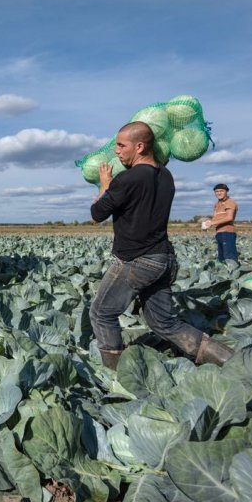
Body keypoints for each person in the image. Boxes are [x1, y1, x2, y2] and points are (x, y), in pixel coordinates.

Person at [89, 121, 233, 370]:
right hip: (163, 258)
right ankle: (232, 361)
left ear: (140, 146)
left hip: (137, 260)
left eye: (121, 145)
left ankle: (115, 376)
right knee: (164, 322)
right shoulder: (166, 176)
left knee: (102, 313)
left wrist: (104, 184)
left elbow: (96, 214)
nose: (116, 151)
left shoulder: (128, 178)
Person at [202, 183, 238, 262]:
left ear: (226, 192)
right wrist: (209, 223)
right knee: (221, 258)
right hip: (219, 233)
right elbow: (215, 219)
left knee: (229, 257)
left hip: (227, 232)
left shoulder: (230, 202)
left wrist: (212, 223)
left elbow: (229, 217)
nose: (219, 193)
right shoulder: (217, 204)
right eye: (216, 191)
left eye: (221, 191)